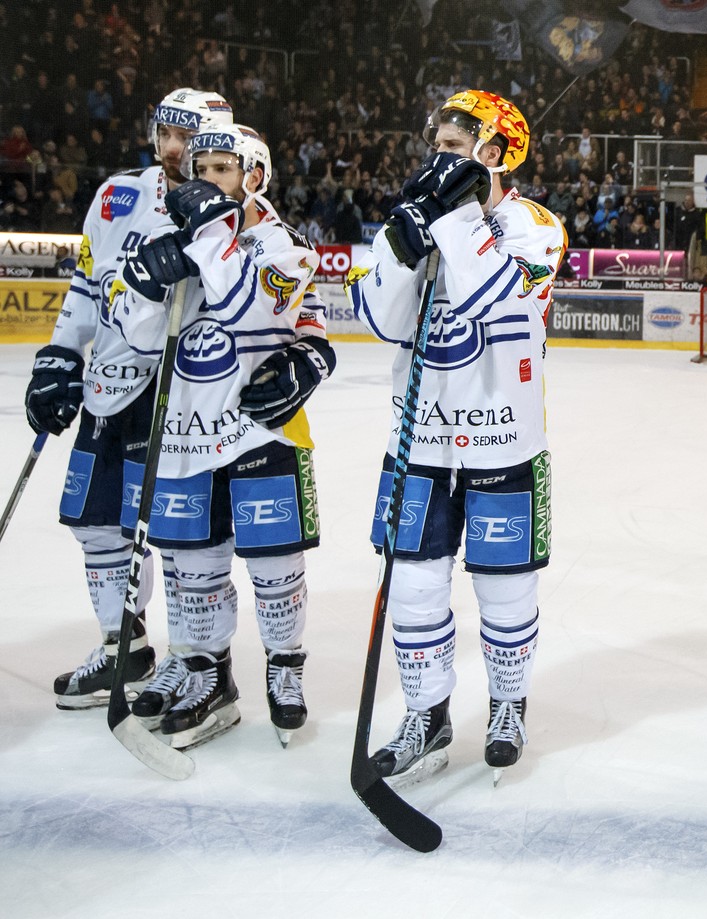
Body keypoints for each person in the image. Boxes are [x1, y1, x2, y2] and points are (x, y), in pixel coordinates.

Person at [349, 90, 566, 785]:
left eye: (453, 145)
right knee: (413, 588)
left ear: (496, 151)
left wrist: (458, 217)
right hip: (418, 442)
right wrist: (403, 243)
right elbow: (380, 319)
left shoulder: (535, 227)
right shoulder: (418, 215)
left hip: (504, 443)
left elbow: (491, 301)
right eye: (437, 144)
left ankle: (507, 705)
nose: (436, 156)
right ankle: (426, 713)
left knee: (506, 591)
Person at [107, 122, 336, 749]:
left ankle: (284, 665)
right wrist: (149, 286)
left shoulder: (282, 242)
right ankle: (205, 671)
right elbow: (129, 326)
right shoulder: (166, 236)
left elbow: (245, 305)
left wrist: (206, 232)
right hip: (184, 428)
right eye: (198, 169)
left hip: (259, 431)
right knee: (191, 567)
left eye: (220, 171)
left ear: (253, 176)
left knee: (275, 565)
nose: (203, 180)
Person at [26, 88, 233, 713]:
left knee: (175, 534)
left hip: (176, 391)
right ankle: (127, 643)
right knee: (94, 521)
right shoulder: (117, 194)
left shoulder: (226, 208)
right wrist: (62, 354)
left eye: (189, 138)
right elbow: (88, 280)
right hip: (108, 385)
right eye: (166, 133)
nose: (173, 149)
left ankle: (197, 658)